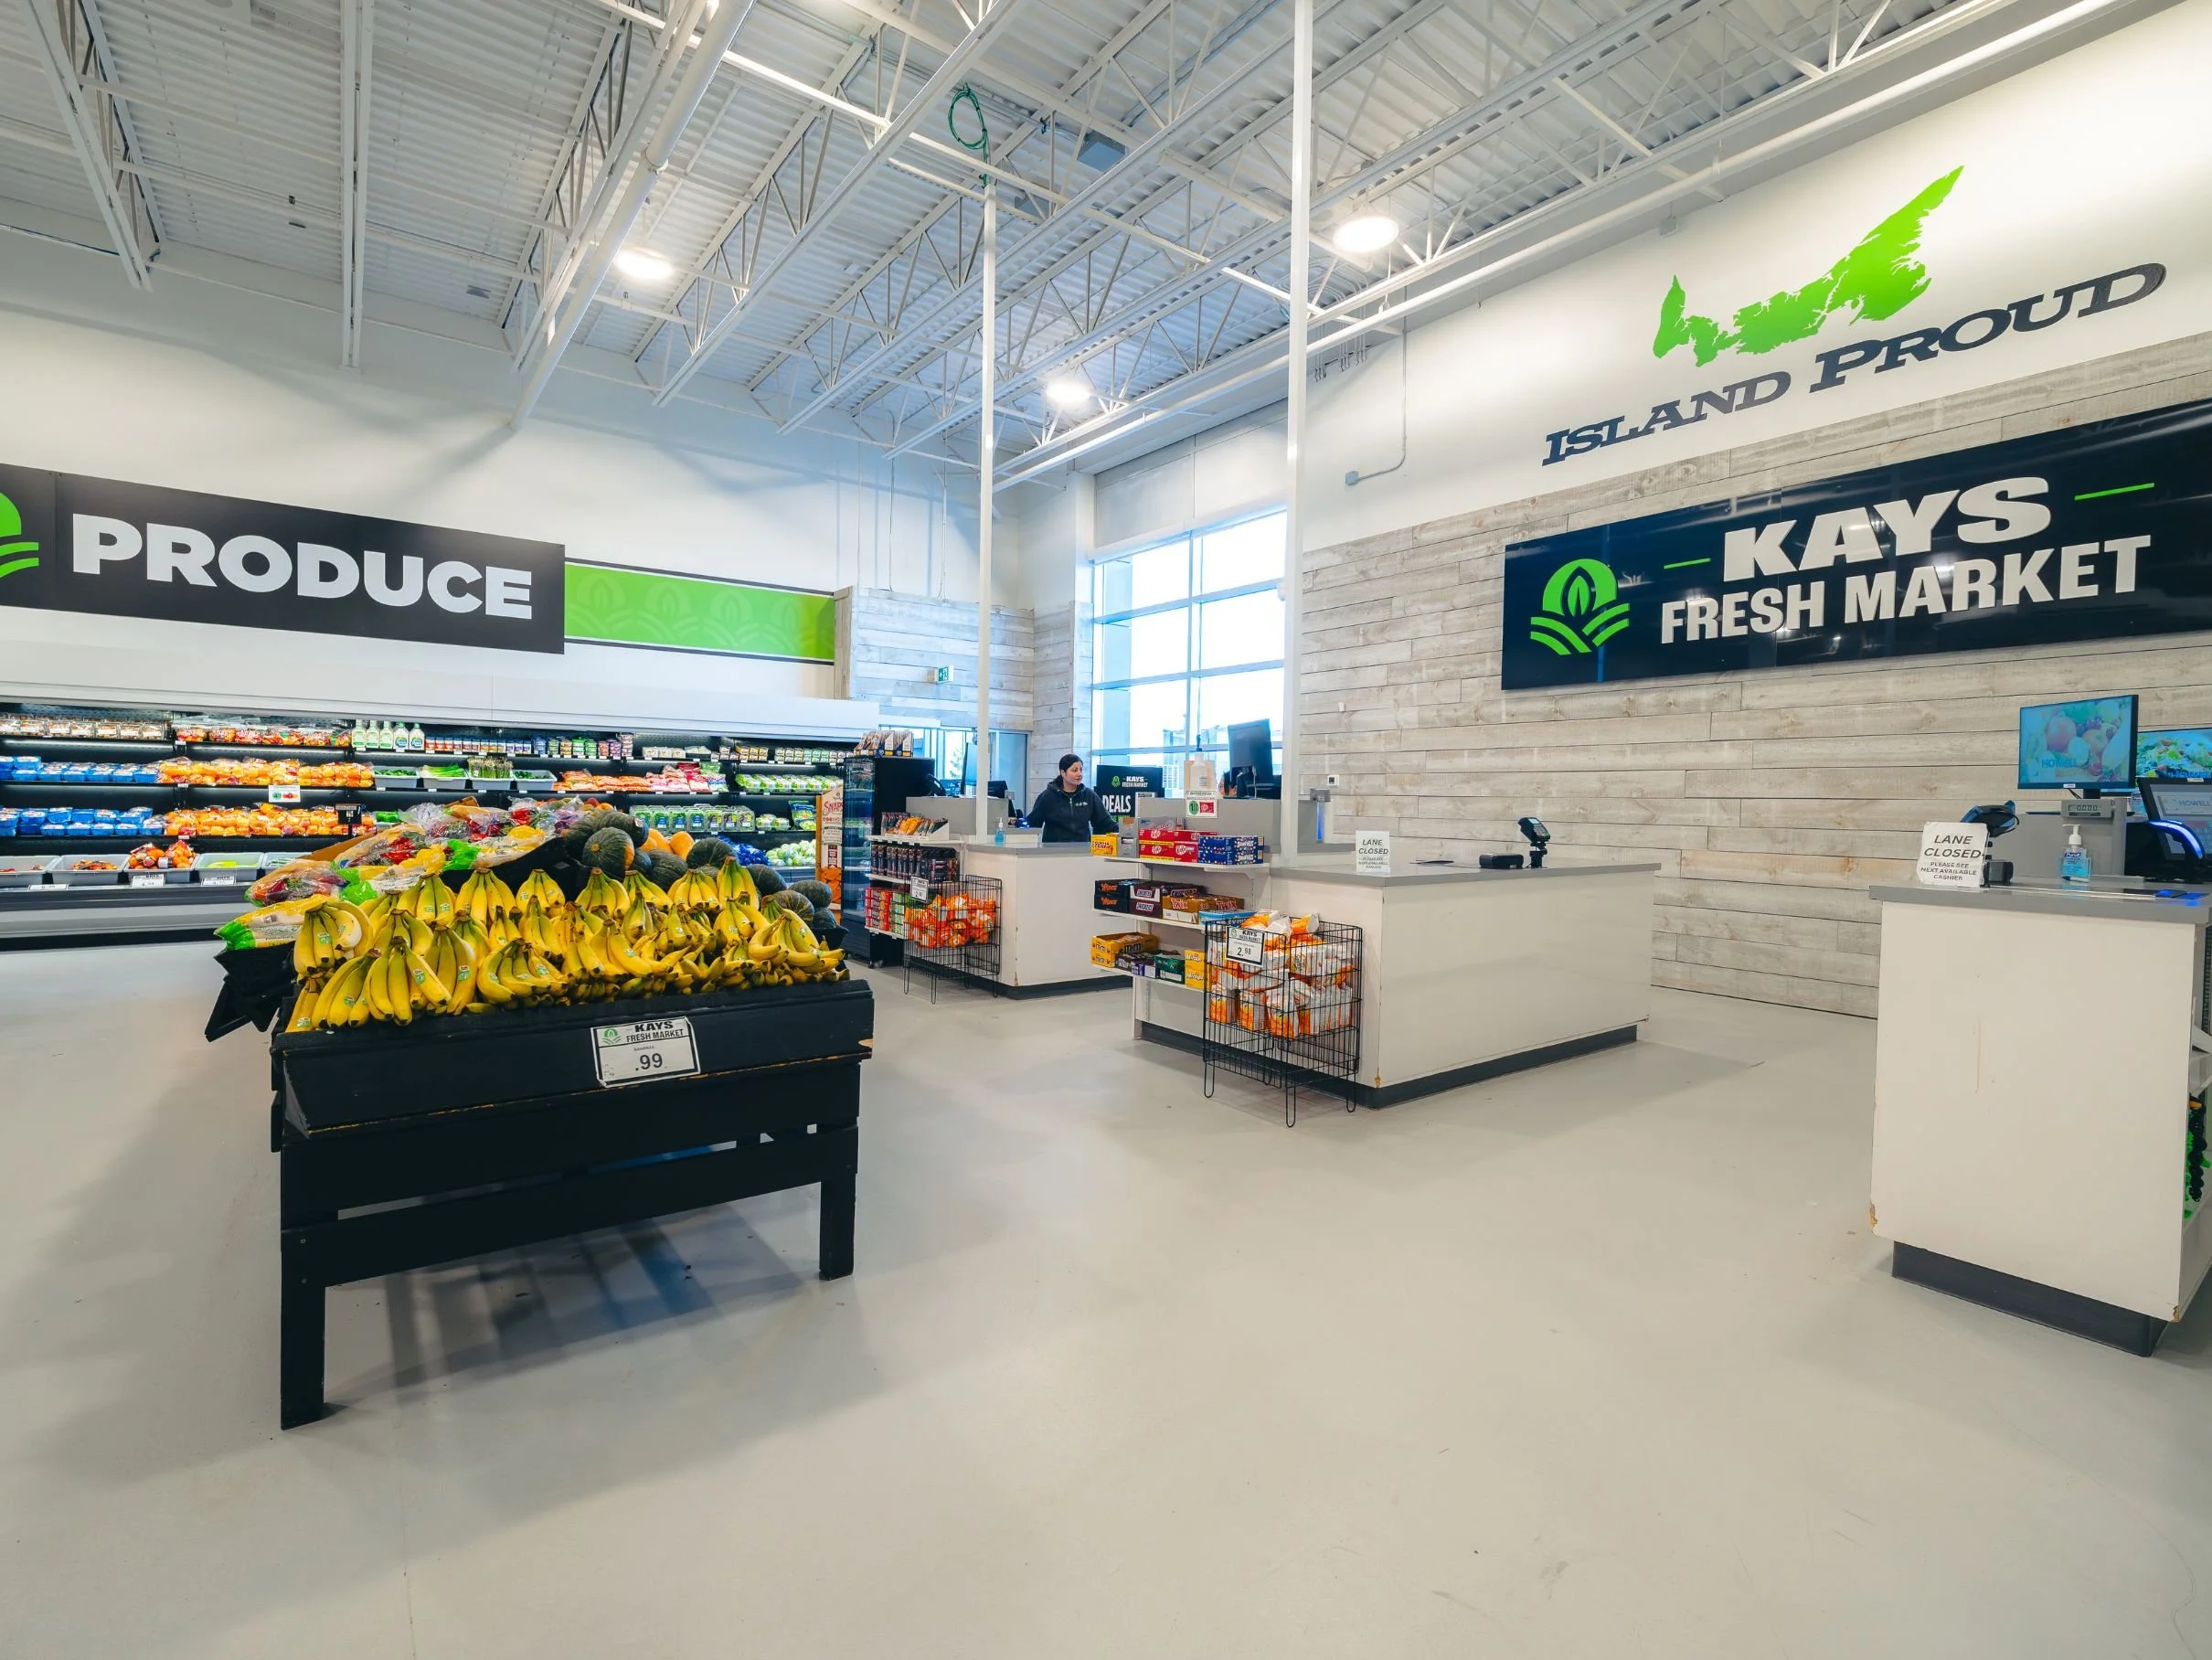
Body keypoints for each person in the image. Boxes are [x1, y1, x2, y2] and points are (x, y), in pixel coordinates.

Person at [1028, 753, 1119, 844]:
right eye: (1074, 770)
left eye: (1081, 770)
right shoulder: (1047, 797)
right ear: (1063, 773)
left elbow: (1105, 822)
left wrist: (1124, 831)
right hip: (1054, 850)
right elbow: (1032, 824)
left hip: (1083, 850)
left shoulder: (1089, 795)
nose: (1079, 774)